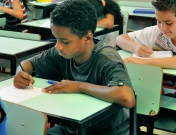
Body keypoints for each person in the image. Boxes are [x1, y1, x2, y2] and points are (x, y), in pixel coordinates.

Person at [13, 0, 135, 134]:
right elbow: (28, 64)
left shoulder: (106, 58)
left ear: (87, 38)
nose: (58, 46)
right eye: (56, 39)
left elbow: (127, 97)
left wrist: (79, 86)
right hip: (75, 127)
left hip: (109, 131)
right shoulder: (62, 52)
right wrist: (21, 74)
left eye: (64, 41)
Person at [116, 0, 176, 70]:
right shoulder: (156, 31)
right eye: (159, 21)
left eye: (169, 23)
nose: (163, 28)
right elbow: (120, 39)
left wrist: (146, 62)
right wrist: (136, 47)